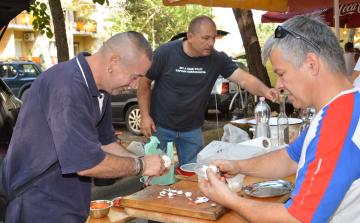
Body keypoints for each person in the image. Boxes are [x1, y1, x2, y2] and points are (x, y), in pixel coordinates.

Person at [200, 14, 360, 223]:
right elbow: (292, 157)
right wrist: (239, 166)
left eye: (282, 74)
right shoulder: (345, 105)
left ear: (312, 64)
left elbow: (297, 219)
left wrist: (230, 200)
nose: (278, 86)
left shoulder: (337, 127)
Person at [3, 31, 171, 222]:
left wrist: (145, 161)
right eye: (134, 76)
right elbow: (86, 162)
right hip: (39, 205)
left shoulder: (101, 91)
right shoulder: (67, 87)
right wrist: (141, 165)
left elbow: (106, 143)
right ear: (114, 62)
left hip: (69, 203)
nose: (134, 86)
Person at [137, 16, 279, 167]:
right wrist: (144, 116)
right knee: (156, 173)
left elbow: (244, 79)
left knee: (193, 174)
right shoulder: (165, 52)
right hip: (160, 125)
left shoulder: (217, 59)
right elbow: (144, 82)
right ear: (190, 37)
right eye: (205, 38)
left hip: (192, 129)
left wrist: (265, 90)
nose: (211, 43)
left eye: (213, 38)